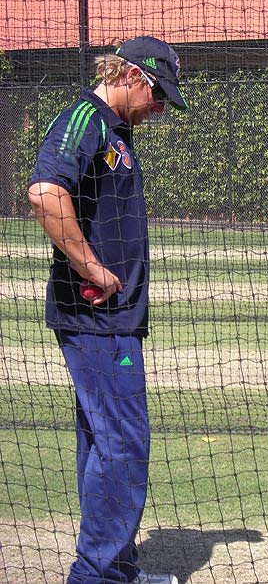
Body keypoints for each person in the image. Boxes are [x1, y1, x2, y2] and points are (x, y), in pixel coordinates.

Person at [28, 36, 188, 584]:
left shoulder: (114, 129)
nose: (162, 107)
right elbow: (46, 192)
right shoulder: (85, 118)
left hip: (111, 319)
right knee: (123, 443)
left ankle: (111, 568)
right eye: (159, 93)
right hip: (96, 316)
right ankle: (96, 575)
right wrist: (91, 268)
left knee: (102, 441)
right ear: (133, 77)